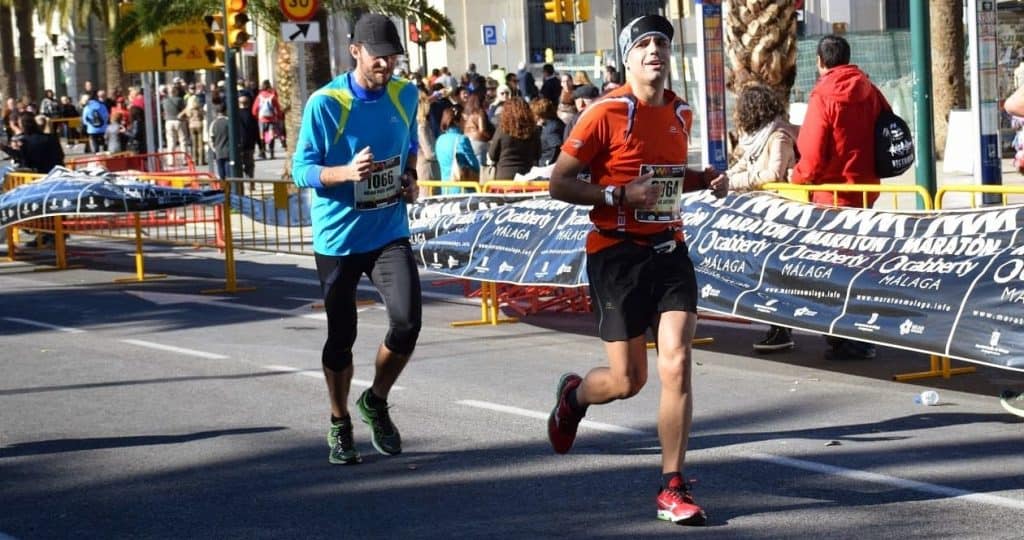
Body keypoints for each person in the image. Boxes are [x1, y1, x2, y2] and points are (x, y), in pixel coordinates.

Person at [545, 14, 728, 526]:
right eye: (643, 43)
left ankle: (672, 485)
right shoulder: (604, 112)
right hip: (616, 254)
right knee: (628, 380)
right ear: (627, 57)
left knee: (677, 361)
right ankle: (573, 398)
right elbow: (559, 183)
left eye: (661, 43)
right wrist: (617, 195)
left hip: (668, 249)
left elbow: (667, 178)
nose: (654, 51)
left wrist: (703, 179)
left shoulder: (682, 112)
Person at [291, 12, 422, 466]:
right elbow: (300, 169)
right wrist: (344, 173)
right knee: (341, 335)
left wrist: (409, 177)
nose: (386, 65)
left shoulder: (406, 95)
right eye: (378, 57)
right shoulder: (326, 103)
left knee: (407, 322)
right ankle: (339, 420)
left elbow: (409, 146)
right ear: (355, 52)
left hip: (388, 230)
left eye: (393, 57)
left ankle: (376, 400)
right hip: (339, 238)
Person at [790, 34, 888, 362]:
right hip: (864, 191)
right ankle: (860, 335)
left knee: (832, 271)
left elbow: (812, 153)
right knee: (859, 266)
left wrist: (797, 180)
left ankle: (846, 337)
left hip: (831, 195)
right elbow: (887, 128)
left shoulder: (823, 95)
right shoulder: (870, 90)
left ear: (820, 61)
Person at [726, 84, 800, 352]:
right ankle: (776, 327)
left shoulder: (778, 136)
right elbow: (744, 164)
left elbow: (773, 174)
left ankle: (781, 329)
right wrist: (722, 178)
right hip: (761, 214)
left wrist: (736, 182)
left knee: (776, 273)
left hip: (779, 215)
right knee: (767, 272)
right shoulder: (757, 138)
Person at [487, 97, 540, 180]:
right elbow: (538, 154)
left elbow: (492, 155)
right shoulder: (534, 130)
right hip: (526, 177)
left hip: (504, 177)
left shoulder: (502, 130)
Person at [436, 105, 480, 193]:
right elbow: (474, 164)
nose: (465, 123)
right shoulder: (462, 139)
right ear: (457, 122)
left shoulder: (439, 139)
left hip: (445, 188)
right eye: (463, 120)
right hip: (462, 189)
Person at [462, 93, 492, 168]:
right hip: (479, 143)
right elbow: (482, 130)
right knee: (482, 170)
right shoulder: (480, 112)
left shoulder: (466, 114)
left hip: (468, 142)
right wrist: (490, 138)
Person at [253, 80, 282, 159]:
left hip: (262, 119)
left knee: (262, 136)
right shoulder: (272, 96)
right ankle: (271, 153)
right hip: (271, 119)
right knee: (270, 135)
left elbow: (254, 110)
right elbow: (278, 108)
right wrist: (279, 117)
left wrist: (257, 116)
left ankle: (263, 152)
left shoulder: (259, 97)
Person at [530, 97, 564, 166]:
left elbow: (555, 148)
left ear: (538, 115)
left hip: (548, 165)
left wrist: (547, 163)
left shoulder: (551, 130)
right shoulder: (555, 122)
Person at [415, 90, 440, 182]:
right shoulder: (422, 125)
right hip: (428, 171)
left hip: (423, 169)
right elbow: (430, 153)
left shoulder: (415, 123)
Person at [236, 95, 259, 178]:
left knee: (238, 165)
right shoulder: (252, 116)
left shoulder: (235, 116)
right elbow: (256, 131)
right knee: (250, 165)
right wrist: (260, 145)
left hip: (238, 145)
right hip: (250, 145)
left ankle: (240, 182)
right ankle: (250, 182)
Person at [208, 103, 230, 180]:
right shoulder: (229, 121)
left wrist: (214, 149)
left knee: (221, 174)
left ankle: (223, 186)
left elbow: (211, 138)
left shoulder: (213, 123)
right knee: (229, 173)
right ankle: (229, 186)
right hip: (228, 151)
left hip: (218, 151)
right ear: (226, 110)